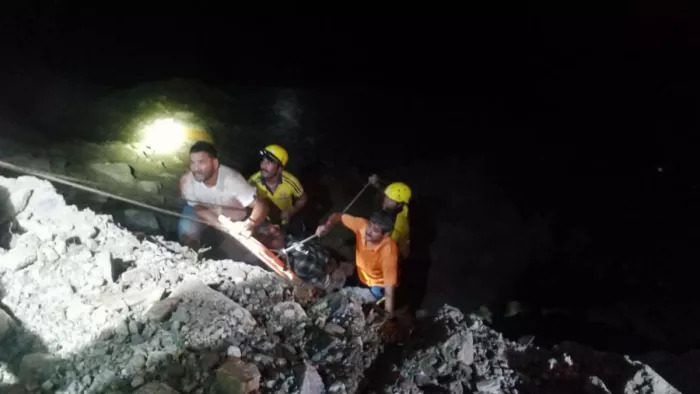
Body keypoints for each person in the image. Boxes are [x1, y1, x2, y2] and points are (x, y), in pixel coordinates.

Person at [178, 141, 269, 249]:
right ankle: (192, 253)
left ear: (215, 163)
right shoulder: (187, 181)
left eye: (201, 162)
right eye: (192, 163)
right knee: (187, 230)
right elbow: (197, 207)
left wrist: (248, 224)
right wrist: (219, 225)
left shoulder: (233, 181)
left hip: (234, 215)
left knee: (244, 251)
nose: (195, 168)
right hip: (208, 211)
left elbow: (261, 205)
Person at [315, 211, 399, 315]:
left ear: (386, 234)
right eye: (370, 225)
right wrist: (327, 226)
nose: (369, 231)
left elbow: (389, 288)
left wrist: (388, 315)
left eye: (375, 230)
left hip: (377, 286)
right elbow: (338, 216)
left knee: (358, 309)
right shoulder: (362, 226)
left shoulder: (389, 251)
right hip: (361, 273)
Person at [249, 144, 308, 236]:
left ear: (280, 168)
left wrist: (291, 212)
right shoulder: (253, 182)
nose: (263, 165)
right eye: (263, 160)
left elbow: (302, 198)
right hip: (264, 222)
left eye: (269, 162)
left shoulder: (291, 181)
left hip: (286, 219)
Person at [369, 175, 411, 259]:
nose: (385, 201)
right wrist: (377, 183)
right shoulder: (398, 205)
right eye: (386, 197)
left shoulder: (397, 225)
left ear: (399, 204)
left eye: (390, 200)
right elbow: (388, 193)